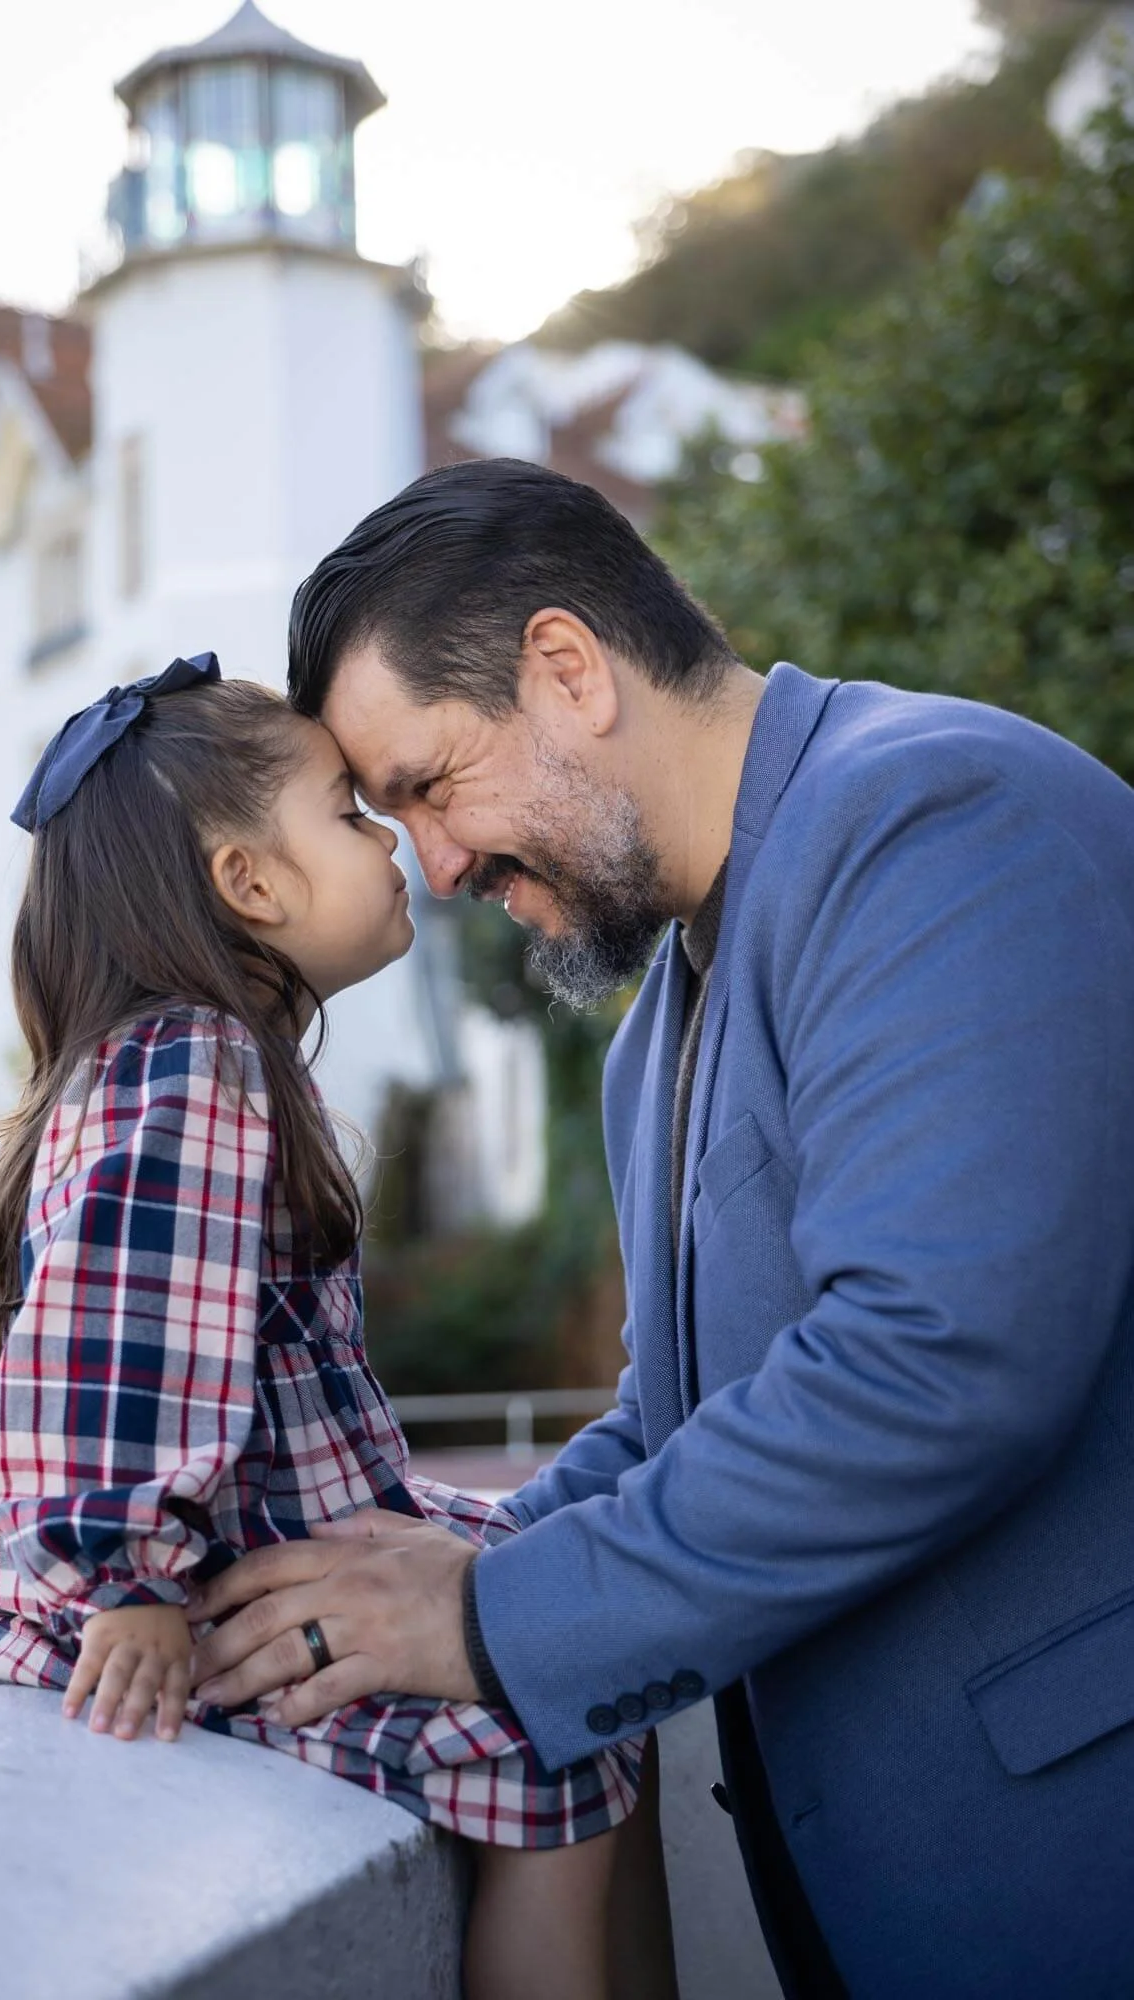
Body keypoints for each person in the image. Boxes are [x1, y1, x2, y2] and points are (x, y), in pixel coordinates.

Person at [184, 460, 1134, 2000]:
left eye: (431, 784)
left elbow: (932, 1368)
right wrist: (432, 1556)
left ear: (568, 671)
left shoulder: (934, 821)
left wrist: (491, 1618)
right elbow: (678, 1420)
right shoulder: (656, 1035)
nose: (436, 868)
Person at [0, 653, 677, 2000]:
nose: (395, 837)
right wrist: (130, 1579)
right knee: (556, 1734)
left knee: (591, 1655)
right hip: (202, 1621)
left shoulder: (177, 1068)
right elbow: (119, 1335)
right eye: (349, 811)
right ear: (252, 885)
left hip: (232, 1582)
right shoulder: (195, 1067)